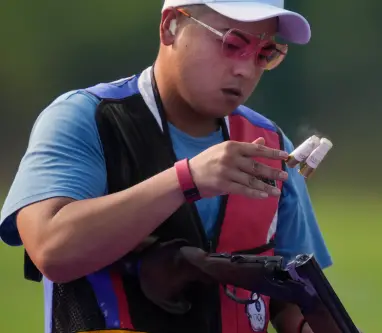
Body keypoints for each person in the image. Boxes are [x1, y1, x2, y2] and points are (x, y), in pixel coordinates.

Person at [0, 1, 333, 332]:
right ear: (171, 26)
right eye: (232, 43)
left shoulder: (270, 143)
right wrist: (186, 180)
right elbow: (51, 250)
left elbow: (291, 298)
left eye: (265, 54)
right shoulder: (87, 119)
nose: (246, 70)